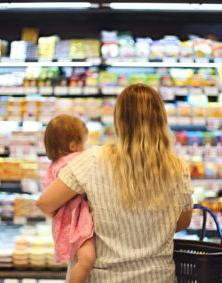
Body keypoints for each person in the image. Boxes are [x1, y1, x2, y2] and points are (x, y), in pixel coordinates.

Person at [37, 83, 194, 282]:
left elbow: (46, 203)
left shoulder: (93, 160)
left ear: (119, 120)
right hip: (158, 277)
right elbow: (183, 222)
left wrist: (80, 221)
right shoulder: (178, 167)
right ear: (161, 119)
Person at [41, 114, 95, 283]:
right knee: (87, 259)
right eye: (83, 144)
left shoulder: (54, 165)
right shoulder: (73, 162)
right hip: (77, 221)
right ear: (73, 145)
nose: (86, 149)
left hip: (68, 220)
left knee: (79, 261)